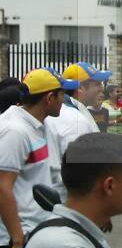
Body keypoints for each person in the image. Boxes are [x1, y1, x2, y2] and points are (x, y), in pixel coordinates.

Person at [0, 69, 66, 248]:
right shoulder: (15, 130)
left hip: (36, 231)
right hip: (16, 239)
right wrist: (17, 240)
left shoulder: (38, 124)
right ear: (49, 98)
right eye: (62, 95)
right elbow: (3, 187)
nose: (66, 100)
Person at [45, 69, 99, 200]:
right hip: (65, 200)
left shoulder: (76, 112)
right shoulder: (72, 119)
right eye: (96, 84)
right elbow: (78, 169)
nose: (101, 88)